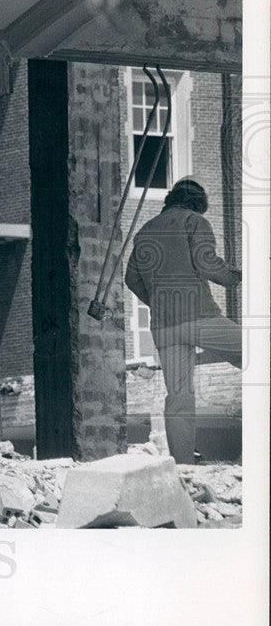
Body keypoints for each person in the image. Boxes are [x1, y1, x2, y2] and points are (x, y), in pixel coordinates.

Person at [125, 178, 242, 464]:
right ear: (196, 204)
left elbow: (131, 279)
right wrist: (235, 276)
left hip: (164, 326)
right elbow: (207, 263)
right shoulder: (194, 222)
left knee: (178, 396)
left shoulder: (145, 231)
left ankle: (184, 465)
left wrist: (158, 300)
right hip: (199, 316)